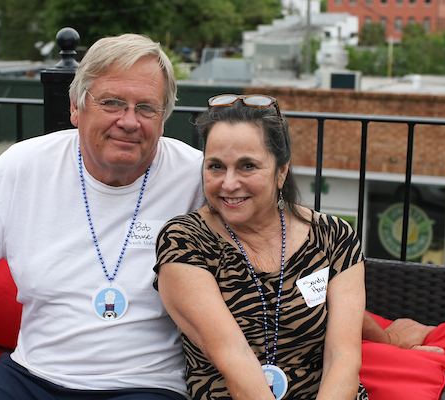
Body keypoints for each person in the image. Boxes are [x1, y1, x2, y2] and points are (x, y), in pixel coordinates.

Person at [0, 33, 205, 400]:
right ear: (76, 108)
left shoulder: (196, 177)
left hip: (144, 385)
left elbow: (268, 239)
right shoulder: (23, 166)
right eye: (112, 103)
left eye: (146, 108)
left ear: (164, 118)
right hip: (30, 376)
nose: (129, 121)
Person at [154, 94, 368, 400]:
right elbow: (233, 358)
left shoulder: (334, 237)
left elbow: (343, 358)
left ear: (281, 171)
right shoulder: (185, 241)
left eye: (247, 166)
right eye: (216, 166)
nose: (228, 183)